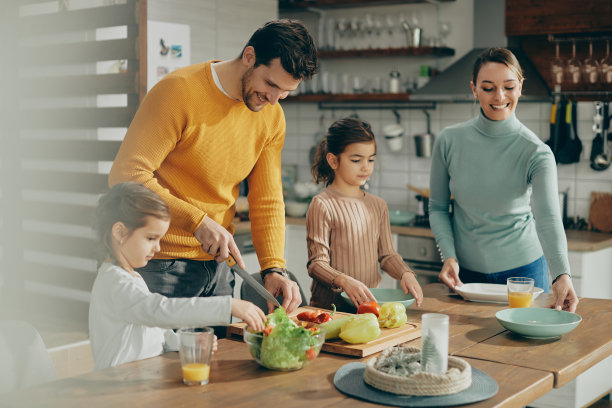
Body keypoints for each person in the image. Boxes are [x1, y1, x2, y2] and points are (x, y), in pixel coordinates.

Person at [108, 20, 318, 316]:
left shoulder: (272, 117)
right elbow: (126, 176)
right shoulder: (179, 91)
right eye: (271, 84)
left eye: (285, 92)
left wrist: (274, 268)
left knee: (219, 362)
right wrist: (197, 221)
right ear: (249, 57)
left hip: (220, 269)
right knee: (162, 363)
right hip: (160, 262)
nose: (273, 99)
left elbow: (267, 199)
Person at [429, 47, 578, 312]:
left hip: (524, 276)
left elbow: (548, 219)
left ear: (520, 87)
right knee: (465, 352)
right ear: (474, 89)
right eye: (488, 88)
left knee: (525, 353)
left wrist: (561, 273)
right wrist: (448, 255)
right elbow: (438, 208)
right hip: (465, 278)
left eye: (509, 87)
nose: (499, 97)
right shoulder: (448, 141)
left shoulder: (537, 152)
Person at [89, 182, 266, 370]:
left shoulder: (131, 277)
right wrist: (228, 305)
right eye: (151, 238)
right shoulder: (114, 282)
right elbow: (158, 311)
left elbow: (153, 329)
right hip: (118, 387)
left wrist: (183, 341)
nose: (157, 248)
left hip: (142, 380)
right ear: (120, 232)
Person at [306, 118, 424, 310]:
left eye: (371, 160)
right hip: (329, 310)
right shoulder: (322, 205)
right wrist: (343, 281)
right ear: (333, 160)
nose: (366, 167)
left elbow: (386, 255)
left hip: (367, 309)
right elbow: (316, 264)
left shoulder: (378, 205)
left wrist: (405, 273)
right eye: (356, 160)